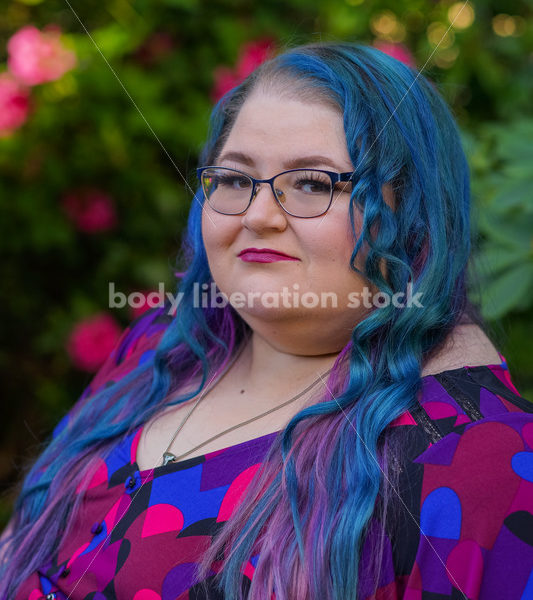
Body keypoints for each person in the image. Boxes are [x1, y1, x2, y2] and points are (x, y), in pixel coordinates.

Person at [1, 41, 532, 600]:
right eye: (234, 178)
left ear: (413, 217)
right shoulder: (161, 347)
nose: (257, 215)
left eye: (312, 184)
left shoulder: (482, 460)